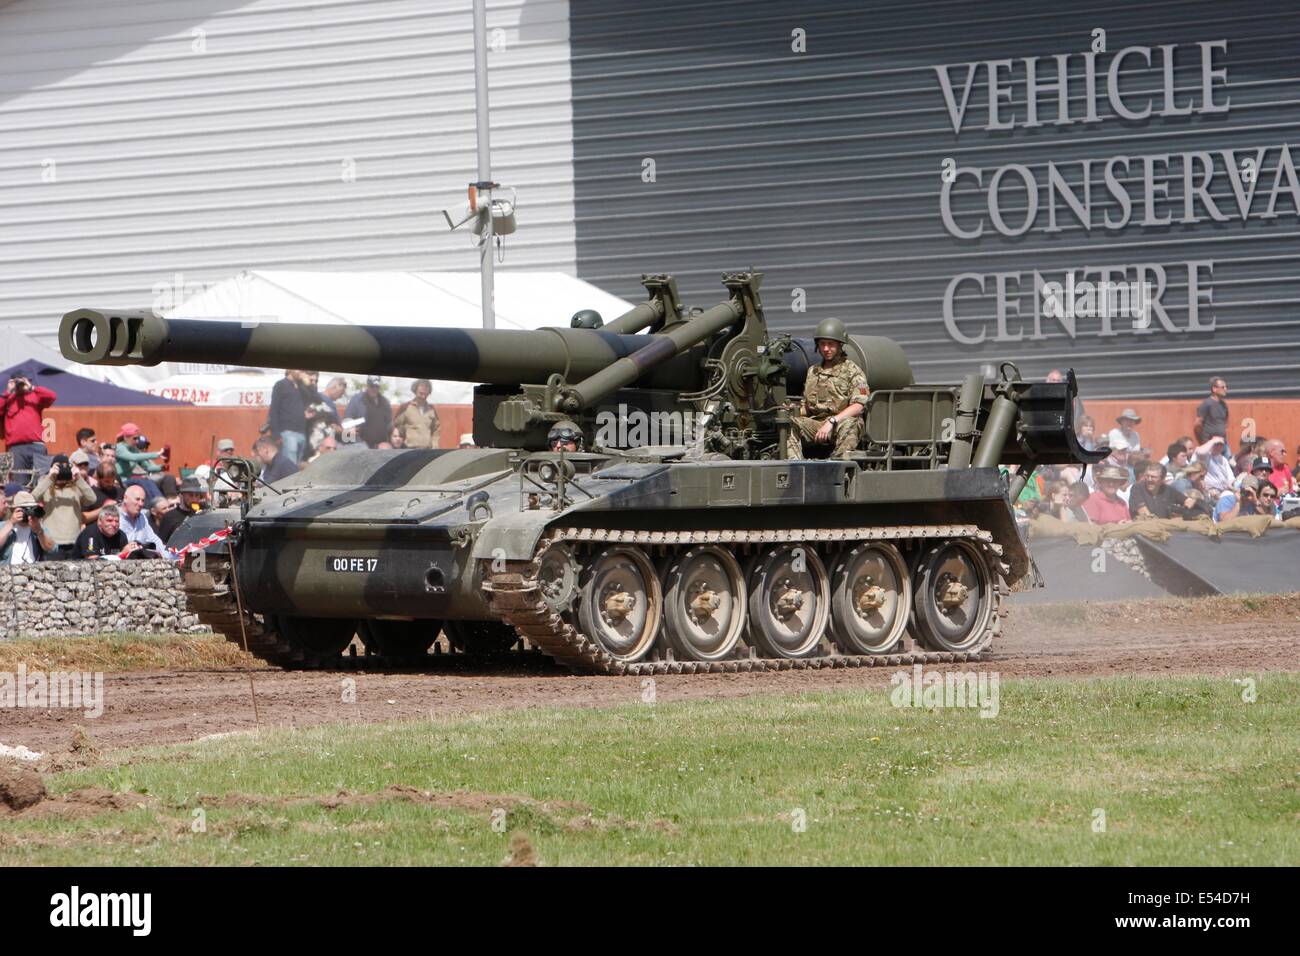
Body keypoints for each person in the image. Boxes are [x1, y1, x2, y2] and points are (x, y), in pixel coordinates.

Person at [786, 318, 868, 460]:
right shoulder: (813, 371)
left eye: (831, 344)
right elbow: (808, 407)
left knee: (853, 423)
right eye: (822, 344)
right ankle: (797, 467)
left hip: (840, 423)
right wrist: (793, 409)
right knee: (788, 424)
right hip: (816, 423)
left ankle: (836, 467)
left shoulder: (852, 371)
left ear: (840, 345)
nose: (826, 349)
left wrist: (832, 422)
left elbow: (859, 406)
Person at [32, 455, 96, 559]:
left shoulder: (76, 487)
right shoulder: (46, 486)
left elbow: (92, 499)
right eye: (59, 468)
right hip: (53, 543)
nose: (62, 472)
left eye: (65, 468)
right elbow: (32, 498)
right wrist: (50, 477)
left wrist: (78, 478)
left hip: (74, 542)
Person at [2, 374, 56, 485]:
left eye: (22, 382)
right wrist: (8, 392)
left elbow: (52, 396)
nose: (19, 385)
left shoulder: (34, 396)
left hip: (37, 446)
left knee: (43, 482)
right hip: (17, 449)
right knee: (20, 484)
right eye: (16, 382)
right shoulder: (8, 399)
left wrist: (31, 388)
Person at [117, 484, 172, 558]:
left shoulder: (142, 517)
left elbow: (153, 539)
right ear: (125, 498)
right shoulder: (114, 516)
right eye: (137, 499)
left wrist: (168, 557)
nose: (140, 504)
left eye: (142, 500)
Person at [1, 490, 54, 563]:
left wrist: (39, 531)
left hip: (32, 571)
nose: (28, 512)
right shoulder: (3, 526)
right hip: (9, 572)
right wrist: (11, 523)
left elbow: (51, 549)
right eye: (24, 508)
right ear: (13, 509)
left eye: (31, 508)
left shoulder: (39, 526)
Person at [269, 369, 310, 464]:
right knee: (290, 464)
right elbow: (274, 410)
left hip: (301, 432)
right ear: (290, 370)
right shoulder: (281, 385)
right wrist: (276, 433)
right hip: (288, 431)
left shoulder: (301, 387)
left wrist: (309, 385)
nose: (301, 372)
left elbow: (313, 397)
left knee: (298, 464)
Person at [345, 376, 393, 448]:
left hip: (380, 445)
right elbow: (347, 421)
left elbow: (389, 423)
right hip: (361, 444)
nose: (374, 389)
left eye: (376, 386)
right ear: (367, 386)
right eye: (372, 386)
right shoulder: (357, 400)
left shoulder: (384, 402)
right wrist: (351, 431)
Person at [393, 379, 441, 449]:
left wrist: (435, 445)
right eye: (421, 393)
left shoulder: (431, 410)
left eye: (426, 394)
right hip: (409, 450)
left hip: (427, 450)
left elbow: (436, 429)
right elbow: (396, 426)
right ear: (415, 391)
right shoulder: (405, 408)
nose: (423, 396)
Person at [1194, 376, 1229, 444]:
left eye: (1226, 387)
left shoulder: (1223, 405)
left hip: (1222, 442)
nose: (1225, 389)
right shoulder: (1207, 404)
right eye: (1223, 387)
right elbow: (1197, 424)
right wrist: (1203, 441)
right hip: (1210, 443)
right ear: (1214, 389)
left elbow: (1225, 422)